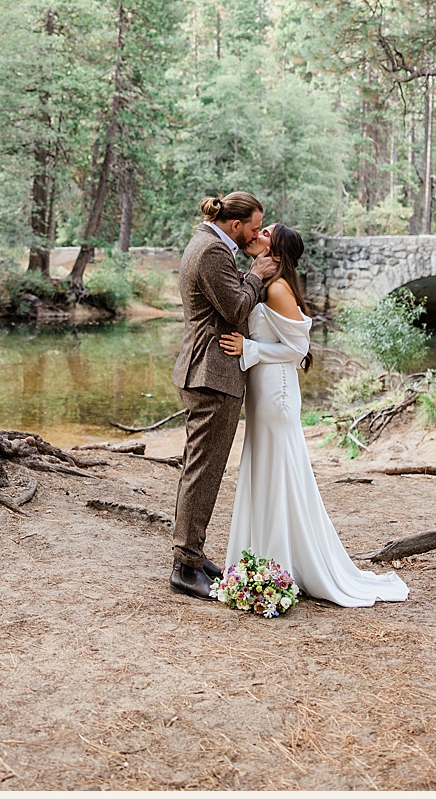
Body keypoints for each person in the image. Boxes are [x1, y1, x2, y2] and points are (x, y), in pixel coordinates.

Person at [217, 224, 410, 608]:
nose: (258, 232)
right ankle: (260, 563)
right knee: (264, 469)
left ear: (277, 249)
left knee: (277, 471)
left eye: (265, 231)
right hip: (260, 390)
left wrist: (249, 348)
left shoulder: (277, 289)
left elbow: (298, 348)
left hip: (276, 391)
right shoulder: (260, 282)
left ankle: (278, 567)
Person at [170, 192, 278, 600]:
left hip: (209, 372)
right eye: (254, 227)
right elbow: (234, 309)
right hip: (211, 376)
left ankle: (192, 556)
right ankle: (185, 566)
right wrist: (256, 274)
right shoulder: (213, 251)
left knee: (203, 469)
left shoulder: (208, 244)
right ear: (236, 226)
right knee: (202, 471)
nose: (256, 234)